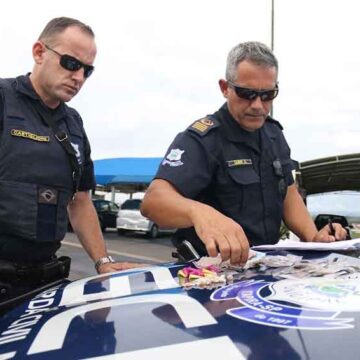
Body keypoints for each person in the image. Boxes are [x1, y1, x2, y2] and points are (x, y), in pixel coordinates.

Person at [141, 41, 347, 266]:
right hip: (211, 274)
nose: (258, 105)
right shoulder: (203, 139)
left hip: (264, 270)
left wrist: (314, 238)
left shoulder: (273, 135)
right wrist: (199, 212)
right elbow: (153, 201)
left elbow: (288, 193)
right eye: (247, 93)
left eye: (268, 94)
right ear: (225, 88)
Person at [0, 17, 140, 305]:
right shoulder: (4, 100)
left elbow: (80, 201)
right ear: (39, 52)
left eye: (87, 70)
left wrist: (103, 261)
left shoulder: (73, 124)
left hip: (42, 287)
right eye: (71, 63)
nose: (79, 77)